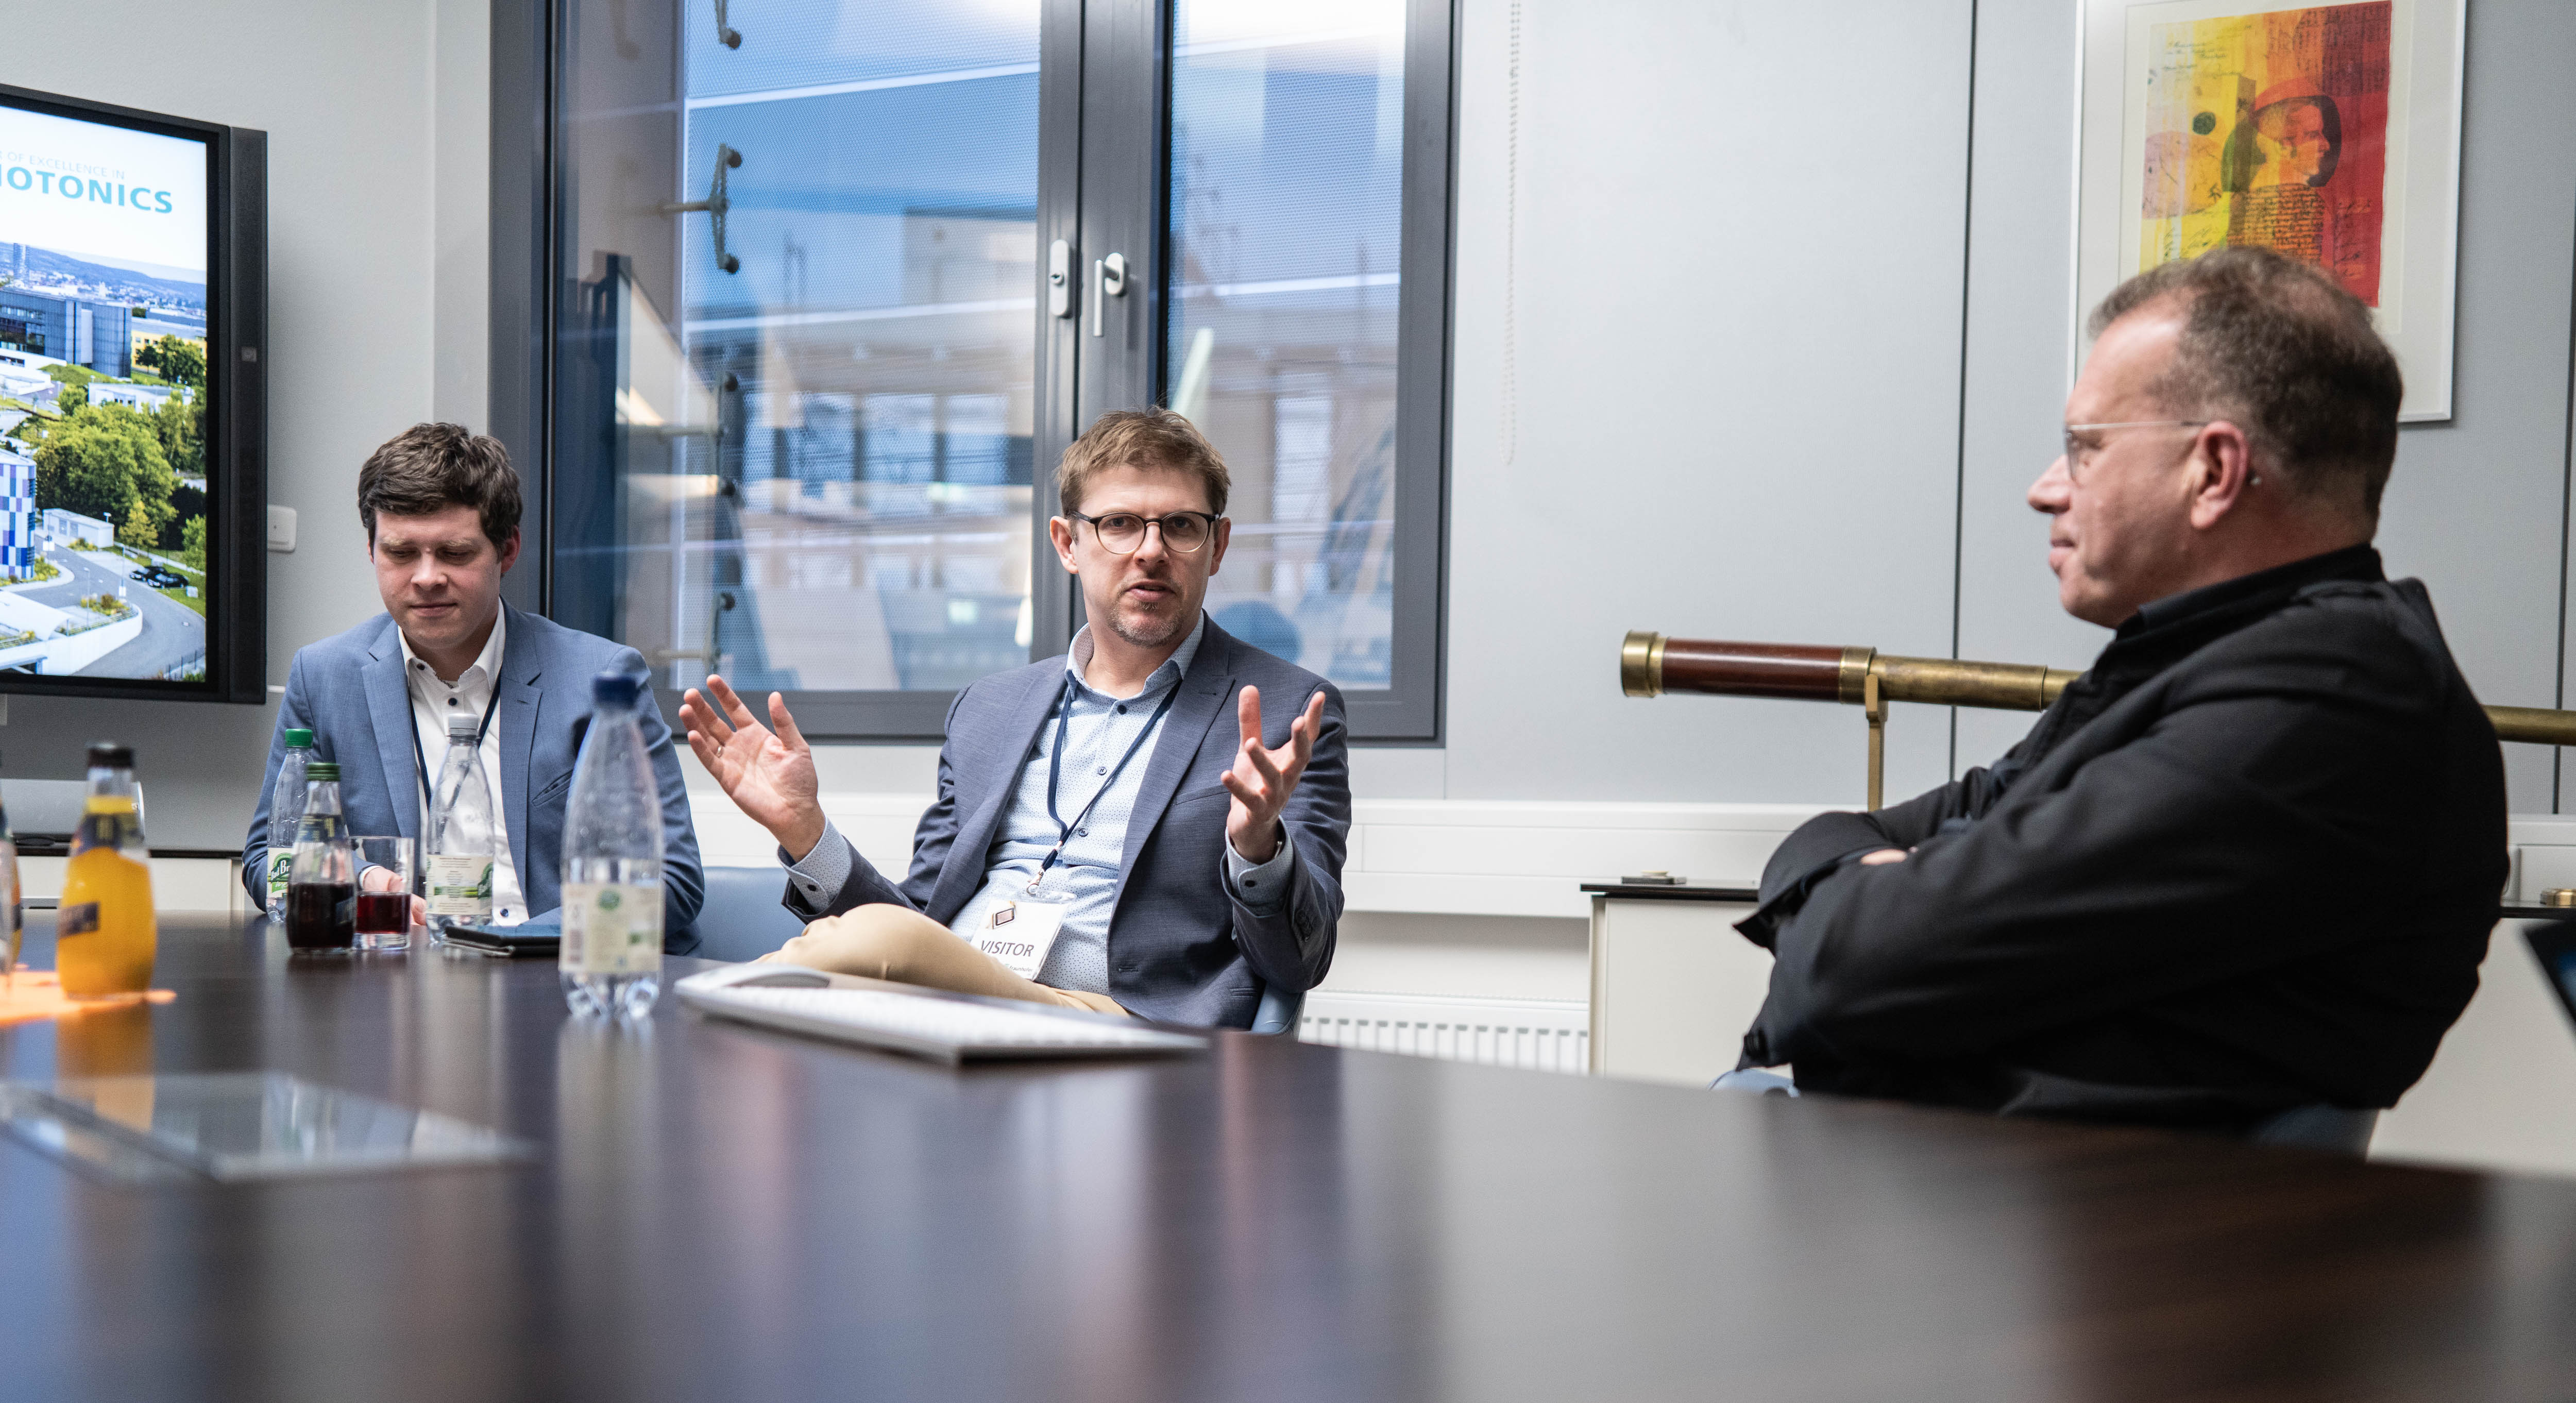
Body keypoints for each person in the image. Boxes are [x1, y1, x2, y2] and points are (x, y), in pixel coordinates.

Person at [1733, 247, 2504, 1131]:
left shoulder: (2333, 696)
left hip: (2063, 1242)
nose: (2044, 489)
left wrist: (1870, 900)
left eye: (2084, 448)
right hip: (1954, 1206)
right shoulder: (2197, 663)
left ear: (2212, 471)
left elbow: (1857, 968)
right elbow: (1845, 849)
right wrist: (1868, 883)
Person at [681, 408, 1349, 1028]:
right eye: (1119, 523)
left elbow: (1299, 961)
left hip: (1123, 1028)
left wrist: (1256, 846)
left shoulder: (1286, 711)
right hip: (947, 1002)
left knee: (861, 953)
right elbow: (914, 922)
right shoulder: (989, 710)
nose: (1150, 549)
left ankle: (687, 1030)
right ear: (1067, 542)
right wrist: (806, 831)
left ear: (1218, 544)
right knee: (851, 978)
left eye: (1180, 525)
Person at [243, 424, 704, 937]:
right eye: (400, 552)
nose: (426, 577)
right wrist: (359, 878)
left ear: (507, 551)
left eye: (455, 553)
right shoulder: (324, 676)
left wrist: (506, 943)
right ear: (371, 549)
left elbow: (672, 882)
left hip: (555, 977)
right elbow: (268, 860)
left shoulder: (603, 679)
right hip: (398, 984)